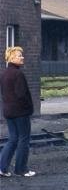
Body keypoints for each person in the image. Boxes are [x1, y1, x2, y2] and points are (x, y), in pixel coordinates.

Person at [0, 46, 36, 177]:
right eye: (19, 55)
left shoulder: (4, 74)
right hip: (20, 112)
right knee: (23, 139)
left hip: (8, 112)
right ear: (11, 58)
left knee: (12, 139)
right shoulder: (18, 74)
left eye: (22, 55)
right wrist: (29, 108)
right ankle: (21, 169)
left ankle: (2, 168)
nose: (22, 57)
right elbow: (22, 95)